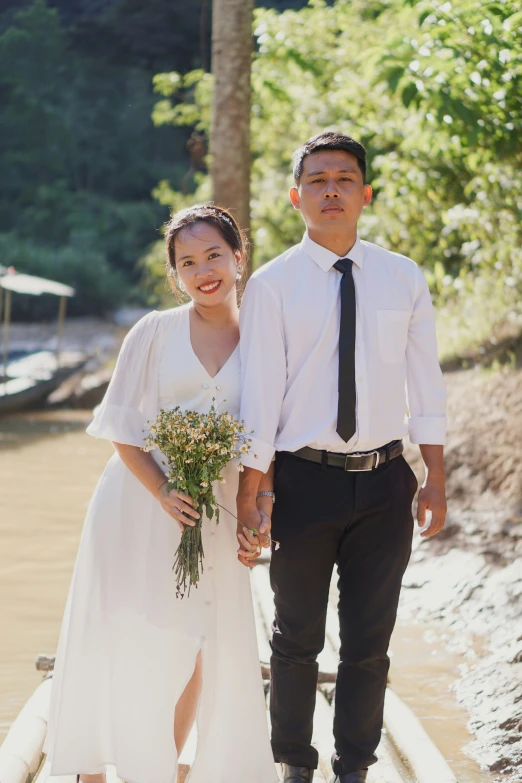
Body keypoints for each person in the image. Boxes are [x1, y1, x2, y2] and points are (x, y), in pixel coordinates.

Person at [236, 131, 447, 783]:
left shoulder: (402, 277)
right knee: (295, 636)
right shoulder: (271, 285)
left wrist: (435, 476)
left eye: (345, 179)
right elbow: (262, 395)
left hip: (386, 481)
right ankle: (295, 763)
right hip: (302, 480)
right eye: (319, 180)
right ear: (296, 196)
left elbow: (426, 383)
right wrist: (254, 490)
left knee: (369, 640)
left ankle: (354, 764)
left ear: (366, 193)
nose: (332, 190)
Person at [44, 204, 277, 783]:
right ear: (175, 274)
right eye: (188, 263)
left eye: (214, 256)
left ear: (239, 258)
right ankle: (95, 766)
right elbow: (121, 428)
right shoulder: (153, 331)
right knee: (129, 628)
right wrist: (166, 489)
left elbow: (270, 437)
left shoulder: (266, 343)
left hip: (217, 509)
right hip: (141, 501)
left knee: (200, 635)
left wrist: (259, 508)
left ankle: (161, 766)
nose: (203, 272)